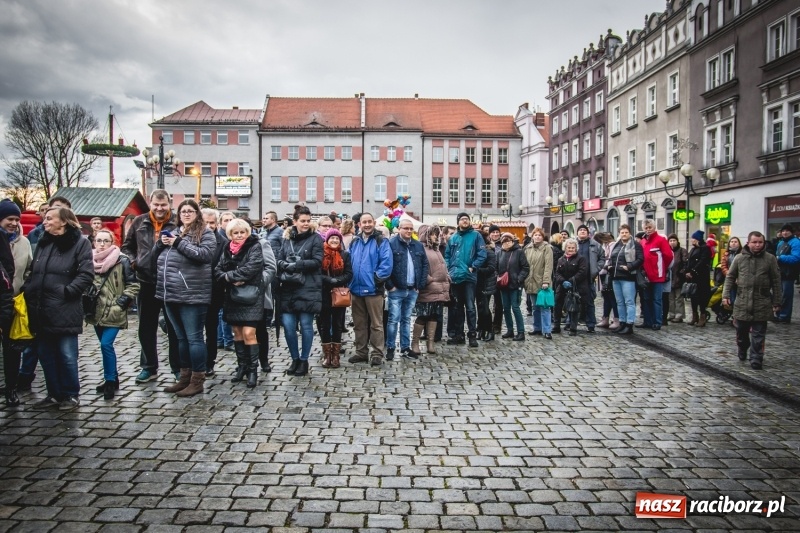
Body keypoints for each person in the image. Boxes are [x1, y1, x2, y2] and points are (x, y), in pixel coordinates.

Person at [24, 207, 93, 410]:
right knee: (45, 355)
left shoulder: (80, 243)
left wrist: (67, 292)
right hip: (41, 308)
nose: (44, 221)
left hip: (65, 308)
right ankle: (54, 394)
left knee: (67, 355)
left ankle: (71, 395)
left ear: (63, 221)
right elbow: (33, 271)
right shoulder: (44, 242)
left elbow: (86, 274)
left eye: (49, 218)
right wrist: (28, 289)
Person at [155, 199, 216, 397]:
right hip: (170, 293)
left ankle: (197, 380)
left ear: (197, 213)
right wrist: (160, 243)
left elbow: (205, 255)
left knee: (194, 338)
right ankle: (184, 378)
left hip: (193, 294)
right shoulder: (174, 231)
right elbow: (156, 258)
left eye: (190, 211)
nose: (186, 214)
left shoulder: (205, 233)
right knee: (180, 338)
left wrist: (178, 243)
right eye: (183, 211)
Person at [121, 189, 180, 383]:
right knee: (146, 327)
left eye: (163, 205)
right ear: (150, 203)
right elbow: (127, 247)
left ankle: (177, 368)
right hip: (145, 280)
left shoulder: (178, 221)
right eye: (156, 204)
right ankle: (149, 367)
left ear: (169, 204)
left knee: (173, 327)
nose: (160, 208)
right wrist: (133, 261)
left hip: (170, 281)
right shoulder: (139, 221)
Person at [85, 229, 139, 400]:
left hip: (114, 310)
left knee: (106, 345)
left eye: (106, 241)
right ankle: (113, 378)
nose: (102, 244)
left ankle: (109, 381)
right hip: (95, 310)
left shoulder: (122, 260)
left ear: (112, 242)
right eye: (99, 240)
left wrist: (121, 303)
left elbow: (134, 284)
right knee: (104, 345)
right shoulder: (89, 260)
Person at [215, 218, 265, 388]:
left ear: (247, 232)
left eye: (242, 232)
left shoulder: (254, 246)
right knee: (237, 332)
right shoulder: (227, 248)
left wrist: (229, 276)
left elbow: (251, 268)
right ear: (230, 234)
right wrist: (230, 278)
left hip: (251, 296)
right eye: (235, 233)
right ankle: (242, 366)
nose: (239, 235)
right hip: (233, 296)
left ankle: (253, 370)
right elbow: (218, 270)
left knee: (249, 333)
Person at [723, 232, 782, 370]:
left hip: (762, 301)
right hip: (742, 301)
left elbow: (776, 281)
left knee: (758, 333)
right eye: (754, 242)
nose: (757, 245)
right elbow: (730, 277)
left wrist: (777, 301)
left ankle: (756, 357)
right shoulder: (739, 258)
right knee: (741, 331)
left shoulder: (770, 259)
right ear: (748, 243)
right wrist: (725, 295)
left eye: (760, 242)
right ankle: (742, 347)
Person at [276, 206, 323, 376]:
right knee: (288, 326)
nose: (306, 223)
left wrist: (297, 265)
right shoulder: (287, 238)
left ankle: (304, 360)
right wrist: (284, 264)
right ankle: (294, 358)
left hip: (308, 287)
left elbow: (317, 261)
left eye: (308, 220)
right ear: (295, 221)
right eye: (302, 221)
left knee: (305, 326)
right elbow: (279, 258)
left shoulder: (315, 238)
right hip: (288, 288)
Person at [347, 212, 392, 366]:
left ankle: (377, 353)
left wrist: (375, 280)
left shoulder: (381, 241)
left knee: (376, 324)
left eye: (369, 222)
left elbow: (386, 264)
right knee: (359, 324)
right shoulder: (355, 242)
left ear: (374, 223)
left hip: (373, 290)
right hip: (356, 289)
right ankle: (361, 352)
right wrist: (350, 280)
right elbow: (349, 262)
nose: (367, 225)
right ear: (359, 224)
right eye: (364, 222)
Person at [1, 201, 32, 406]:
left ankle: (11, 388)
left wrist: (25, 286)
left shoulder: (24, 243)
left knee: (12, 348)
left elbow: (29, 267)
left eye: (16, 219)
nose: (13, 223)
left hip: (15, 301)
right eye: (9, 219)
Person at [385, 219, 429, 360]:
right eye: (406, 228)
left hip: (412, 289)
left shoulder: (418, 245)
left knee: (406, 319)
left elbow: (425, 265)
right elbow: (385, 265)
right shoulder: (391, 243)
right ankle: (390, 347)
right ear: (399, 229)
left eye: (411, 228)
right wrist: (390, 286)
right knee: (393, 319)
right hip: (396, 289)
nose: (409, 231)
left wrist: (419, 285)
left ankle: (405, 347)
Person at [445, 212, 487, 347]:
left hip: (469, 277)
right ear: (458, 222)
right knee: (457, 307)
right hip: (455, 277)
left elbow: (482, 254)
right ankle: (459, 335)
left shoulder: (476, 235)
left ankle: (472, 335)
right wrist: (449, 269)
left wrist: (473, 266)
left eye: (467, 219)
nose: (465, 221)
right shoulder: (453, 238)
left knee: (470, 307)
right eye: (462, 219)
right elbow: (447, 255)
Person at [317, 228, 352, 368]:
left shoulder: (345, 255)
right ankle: (327, 355)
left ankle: (336, 355)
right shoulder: (321, 254)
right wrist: (328, 280)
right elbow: (317, 273)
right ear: (327, 239)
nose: (334, 240)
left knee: (337, 324)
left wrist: (336, 281)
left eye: (337, 238)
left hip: (339, 293)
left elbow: (349, 273)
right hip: (324, 293)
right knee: (325, 325)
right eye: (332, 238)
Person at [414, 225, 450, 355]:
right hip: (428, 289)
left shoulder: (436, 249)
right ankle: (415, 343)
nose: (436, 236)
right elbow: (419, 268)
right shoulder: (421, 249)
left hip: (439, 289)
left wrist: (447, 277)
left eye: (437, 234)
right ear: (426, 235)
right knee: (423, 316)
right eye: (433, 234)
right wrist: (429, 280)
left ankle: (430, 342)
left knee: (434, 316)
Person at [201, 208, 227, 377]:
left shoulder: (223, 242)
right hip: (194, 290)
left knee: (211, 329)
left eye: (212, 223)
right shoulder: (193, 239)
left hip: (214, 291)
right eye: (206, 223)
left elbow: (223, 267)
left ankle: (209, 362)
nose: (209, 226)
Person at [607, 225, 644, 335]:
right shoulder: (617, 244)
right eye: (622, 232)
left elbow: (640, 259)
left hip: (628, 277)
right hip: (615, 277)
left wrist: (630, 266)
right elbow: (612, 257)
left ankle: (629, 324)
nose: (624, 234)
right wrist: (609, 266)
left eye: (626, 232)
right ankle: (622, 322)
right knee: (619, 302)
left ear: (630, 233)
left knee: (629, 301)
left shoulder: (635, 245)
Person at [639, 219, 674, 330]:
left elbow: (668, 256)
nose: (648, 230)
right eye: (646, 228)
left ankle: (657, 322)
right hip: (646, 276)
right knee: (646, 299)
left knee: (657, 300)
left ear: (654, 228)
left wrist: (662, 267)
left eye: (650, 227)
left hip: (657, 275)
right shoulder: (643, 241)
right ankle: (647, 321)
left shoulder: (661, 240)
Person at [496, 233, 529, 341]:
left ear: (512, 241)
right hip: (503, 285)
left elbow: (525, 267)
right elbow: (496, 267)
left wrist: (519, 279)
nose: (506, 243)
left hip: (515, 284)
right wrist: (497, 277)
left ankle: (521, 331)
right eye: (504, 241)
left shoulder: (519, 252)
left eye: (508, 241)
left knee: (515, 307)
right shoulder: (499, 253)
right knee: (506, 308)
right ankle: (510, 330)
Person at [553, 239, 589, 336]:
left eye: (573, 248)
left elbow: (582, 272)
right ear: (565, 248)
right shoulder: (561, 259)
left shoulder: (581, 259)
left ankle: (573, 328)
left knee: (574, 307)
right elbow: (557, 273)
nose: (571, 249)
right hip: (562, 286)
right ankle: (556, 326)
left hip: (575, 286)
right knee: (557, 305)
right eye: (569, 247)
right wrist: (562, 281)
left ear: (576, 248)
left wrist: (571, 281)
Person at [574, 224, 604, 333]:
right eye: (580, 230)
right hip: (575, 277)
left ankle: (591, 324)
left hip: (588, 277)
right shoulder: (572, 243)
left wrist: (596, 269)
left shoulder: (595, 244)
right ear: (577, 232)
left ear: (588, 233)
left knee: (589, 302)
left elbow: (602, 258)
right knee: (573, 301)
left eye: (584, 230)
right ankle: (571, 323)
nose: (582, 231)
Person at [524, 228, 554, 338]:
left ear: (543, 237)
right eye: (535, 235)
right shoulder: (528, 248)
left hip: (542, 282)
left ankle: (547, 330)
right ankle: (537, 328)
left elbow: (548, 266)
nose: (537, 237)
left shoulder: (547, 248)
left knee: (544, 307)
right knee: (535, 307)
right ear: (532, 236)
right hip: (531, 281)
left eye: (539, 235)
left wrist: (546, 281)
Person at [685, 230, 712, 327]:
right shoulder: (693, 249)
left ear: (697, 239)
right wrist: (686, 271)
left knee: (701, 297)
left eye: (693, 238)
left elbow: (702, 261)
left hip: (701, 277)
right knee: (693, 297)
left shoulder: (705, 248)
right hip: (693, 278)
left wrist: (693, 271)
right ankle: (694, 316)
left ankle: (702, 316)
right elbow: (689, 261)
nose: (691, 240)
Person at [774, 224, 800, 323]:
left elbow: (796, 258)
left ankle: (785, 316)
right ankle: (778, 314)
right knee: (778, 294)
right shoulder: (781, 243)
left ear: (791, 232)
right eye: (783, 231)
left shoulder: (795, 242)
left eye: (787, 231)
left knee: (786, 295)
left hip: (789, 273)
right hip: (779, 272)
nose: (785, 233)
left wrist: (781, 258)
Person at [594, 232, 619, 329]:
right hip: (603, 273)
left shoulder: (612, 245)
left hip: (609, 273)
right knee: (606, 297)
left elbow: (610, 259)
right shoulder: (605, 246)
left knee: (612, 297)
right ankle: (605, 318)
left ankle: (616, 318)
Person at [476, 231, 497, 341]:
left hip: (486, 283)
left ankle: (490, 330)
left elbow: (491, 268)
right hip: (477, 283)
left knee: (484, 308)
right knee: (479, 307)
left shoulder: (489, 252)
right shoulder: (476, 251)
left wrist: (476, 270)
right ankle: (481, 329)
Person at [667, 234, 688, 323]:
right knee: (670, 298)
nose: (672, 242)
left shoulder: (682, 251)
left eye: (674, 240)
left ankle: (679, 315)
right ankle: (671, 314)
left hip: (679, 277)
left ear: (677, 241)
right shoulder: (667, 251)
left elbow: (685, 263)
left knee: (679, 298)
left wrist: (682, 272)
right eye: (670, 241)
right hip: (669, 278)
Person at [487, 225, 503, 334]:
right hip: (488, 277)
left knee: (499, 304)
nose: (495, 234)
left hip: (499, 277)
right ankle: (485, 324)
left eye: (497, 232)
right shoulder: (486, 244)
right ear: (490, 234)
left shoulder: (503, 245)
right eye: (493, 232)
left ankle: (497, 325)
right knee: (485, 303)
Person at [719, 236, 741, 307]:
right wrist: (730, 275)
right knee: (732, 298)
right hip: (729, 278)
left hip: (740, 279)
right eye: (732, 242)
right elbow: (723, 266)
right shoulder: (726, 254)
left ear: (739, 243)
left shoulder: (742, 254)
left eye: (735, 242)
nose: (733, 243)